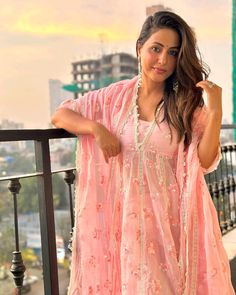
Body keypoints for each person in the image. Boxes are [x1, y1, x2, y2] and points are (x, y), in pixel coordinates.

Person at [51, 11, 234, 295]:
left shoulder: (184, 106)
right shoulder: (112, 98)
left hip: (167, 227)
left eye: (173, 53)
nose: (163, 60)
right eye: (156, 49)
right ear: (139, 48)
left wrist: (215, 111)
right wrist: (96, 128)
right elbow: (61, 115)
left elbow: (206, 161)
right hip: (122, 225)